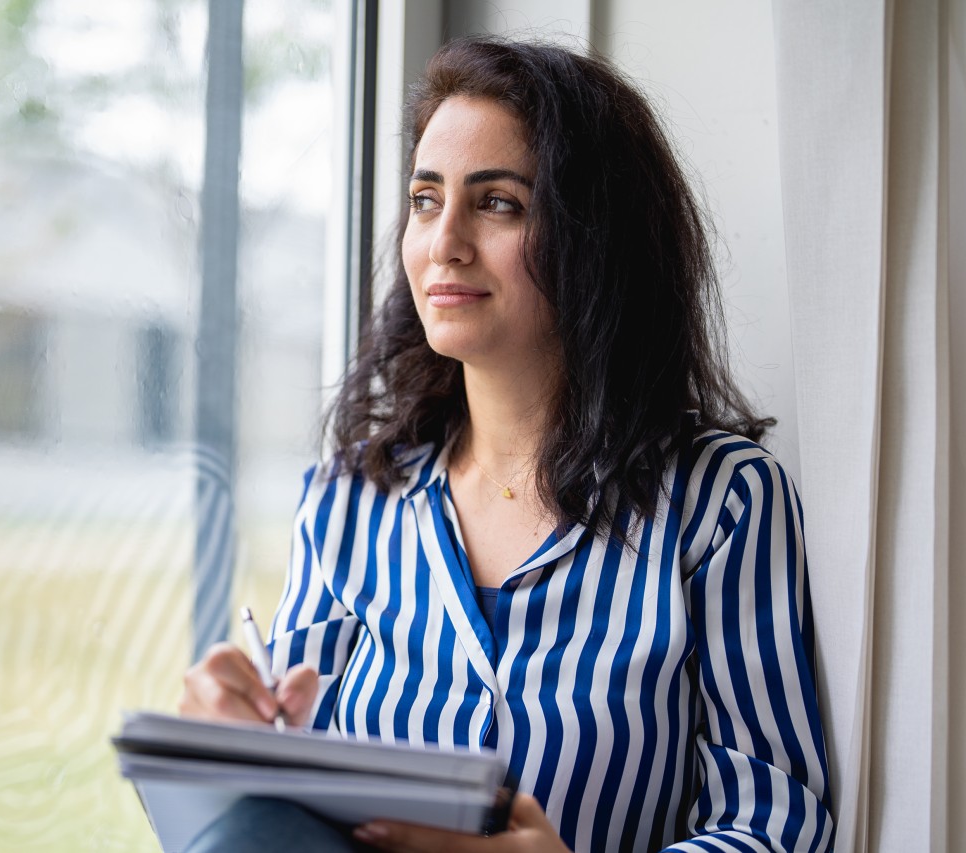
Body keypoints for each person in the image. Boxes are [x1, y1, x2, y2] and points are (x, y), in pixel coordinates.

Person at [180, 35, 833, 852]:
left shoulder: (722, 502)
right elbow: (281, 788)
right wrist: (228, 741)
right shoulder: (350, 496)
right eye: (425, 199)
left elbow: (774, 826)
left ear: (594, 240)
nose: (443, 242)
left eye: (497, 203)